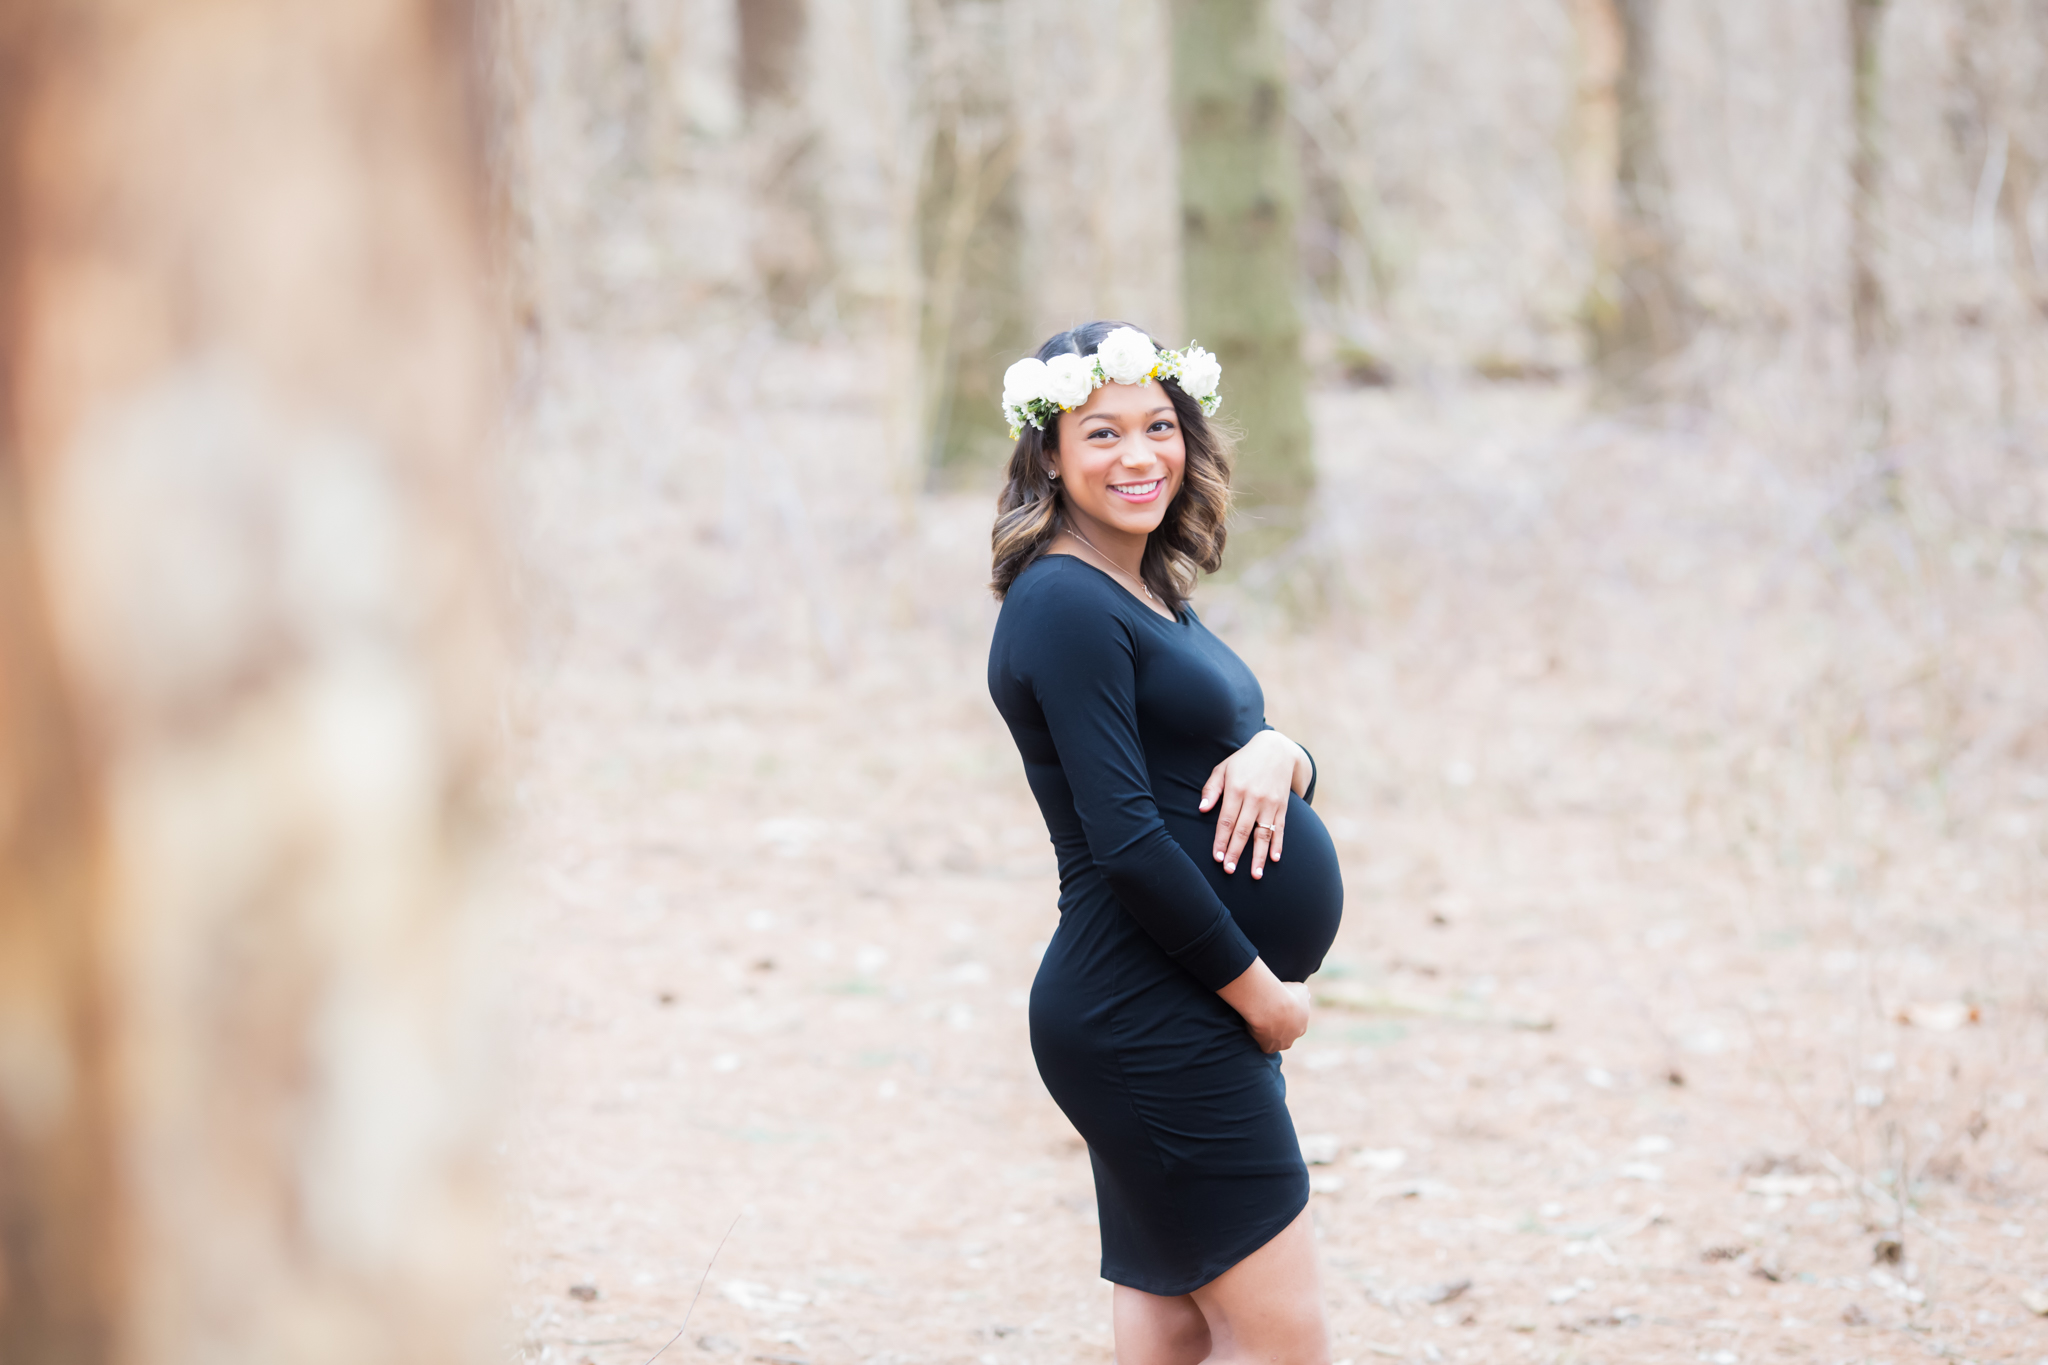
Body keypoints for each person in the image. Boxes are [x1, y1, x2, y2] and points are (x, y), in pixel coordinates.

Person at [986, 321, 1345, 1365]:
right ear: (1048, 453)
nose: (1137, 456)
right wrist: (1261, 997)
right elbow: (1129, 841)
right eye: (1100, 434)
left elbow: (1232, 756)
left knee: (1177, 1333)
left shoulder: (1143, 588)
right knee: (1282, 1346)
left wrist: (1286, 753)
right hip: (1148, 1008)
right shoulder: (1061, 601)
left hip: (1166, 1001)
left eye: (1157, 427)